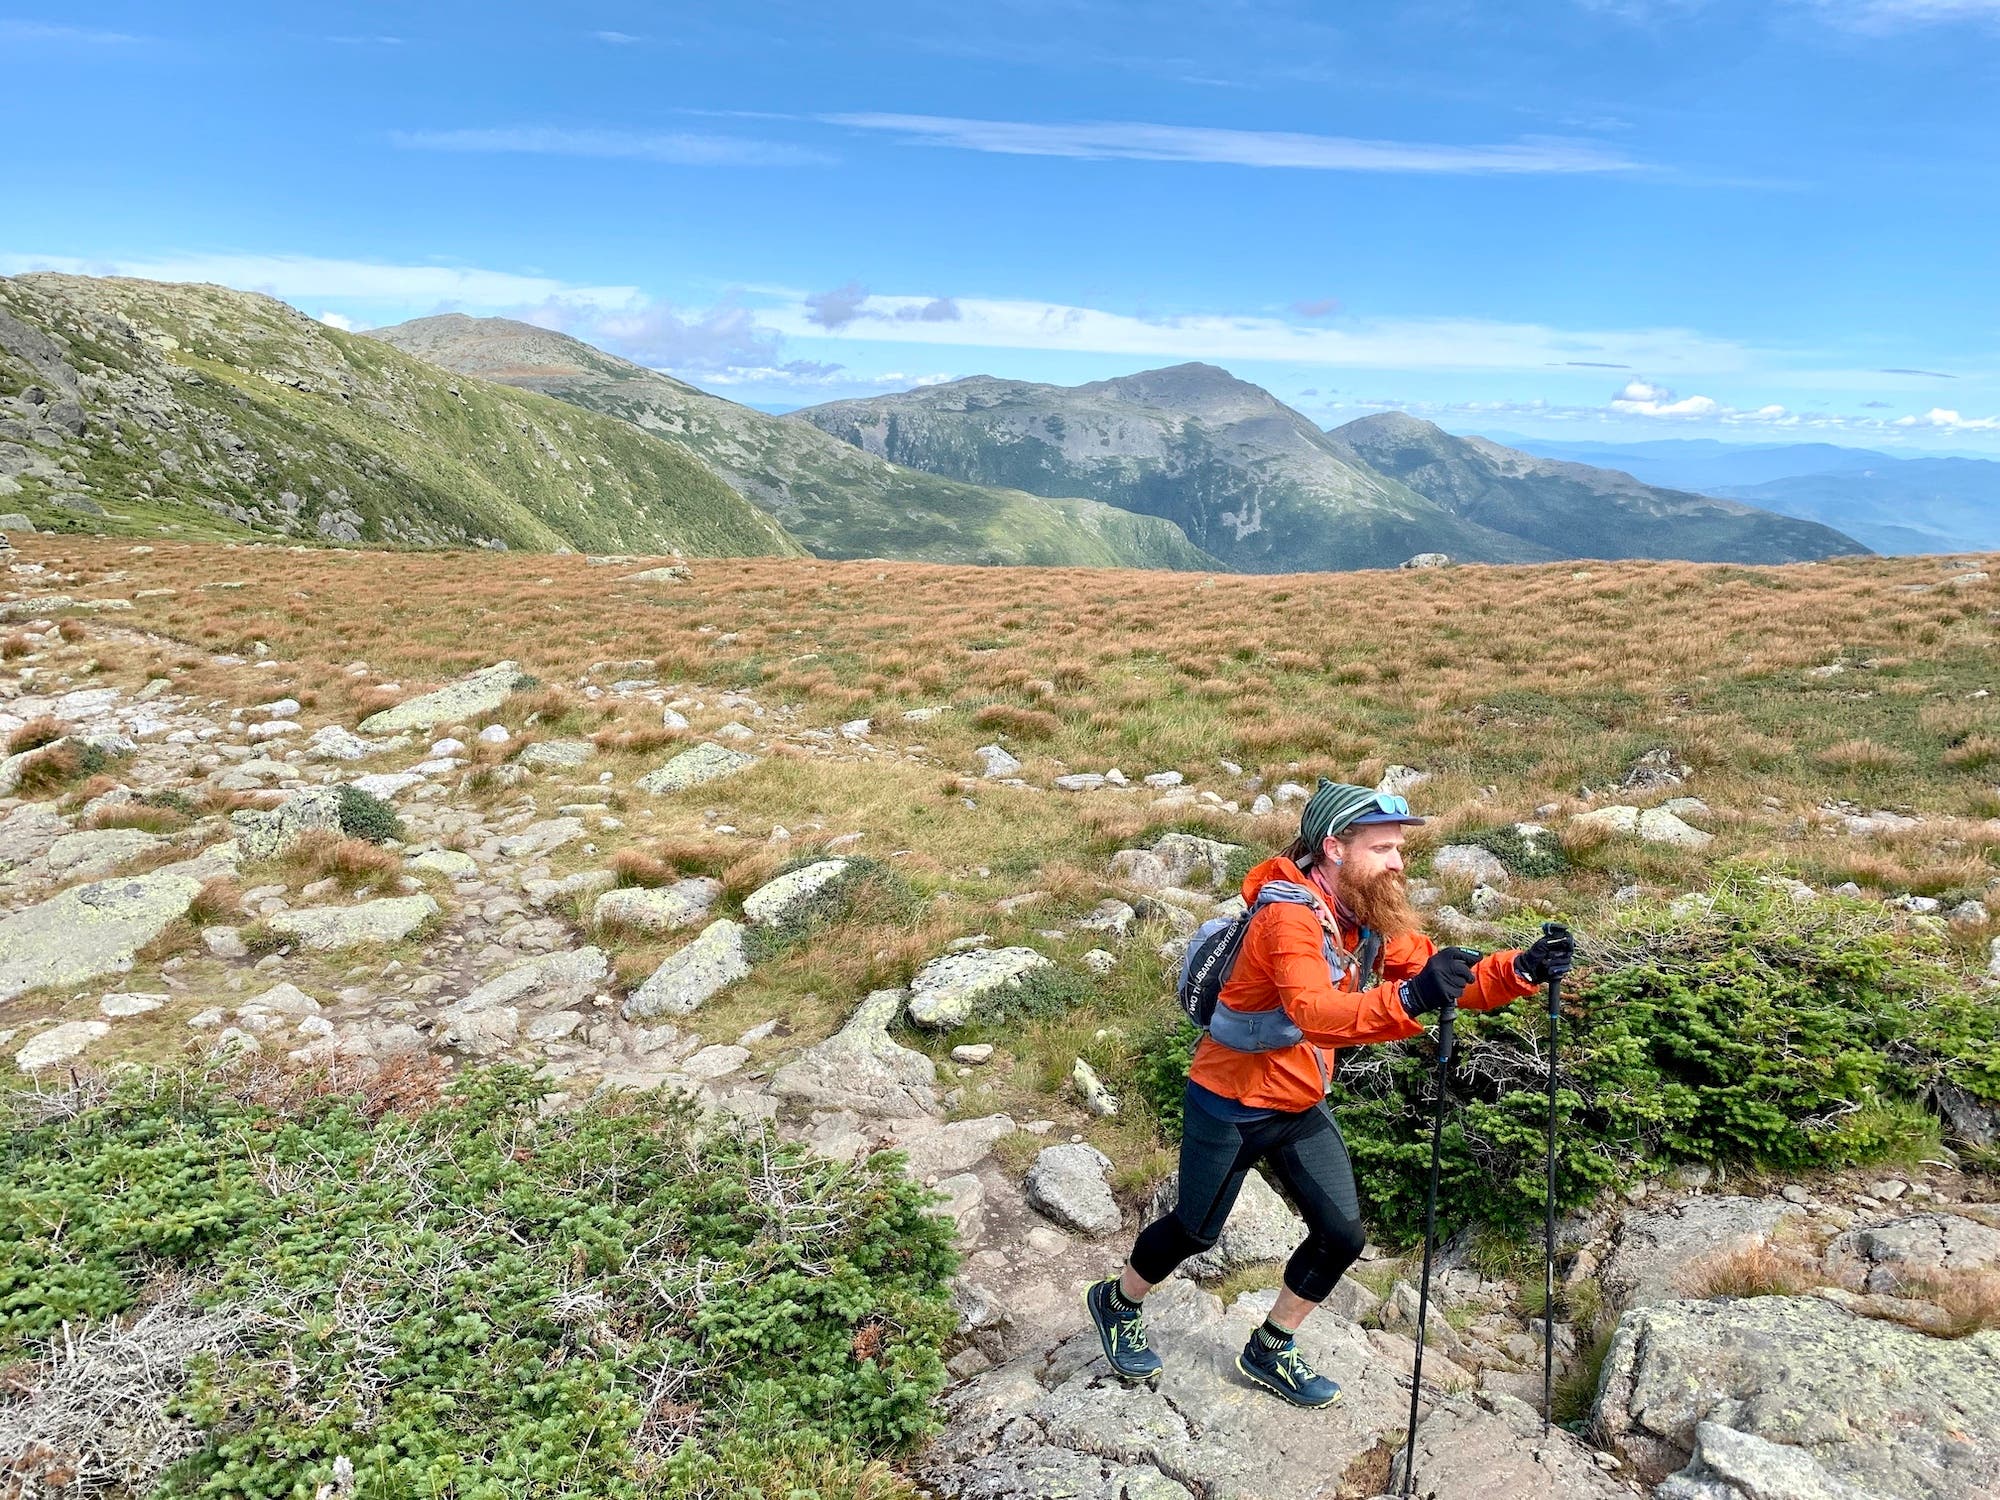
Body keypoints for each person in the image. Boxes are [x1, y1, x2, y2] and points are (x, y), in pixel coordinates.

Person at [1085, 779, 1573, 1407]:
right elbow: (1317, 1012)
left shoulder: (1366, 911)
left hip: (1298, 1101)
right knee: (1193, 1232)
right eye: (1384, 848)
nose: (1399, 862)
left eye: (1399, 848)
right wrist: (1413, 998)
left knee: (1341, 1236)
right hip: (1229, 1103)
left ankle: (1270, 1345)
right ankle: (1118, 1299)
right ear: (1335, 848)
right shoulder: (1287, 919)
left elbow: (1437, 974)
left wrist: (1521, 968)